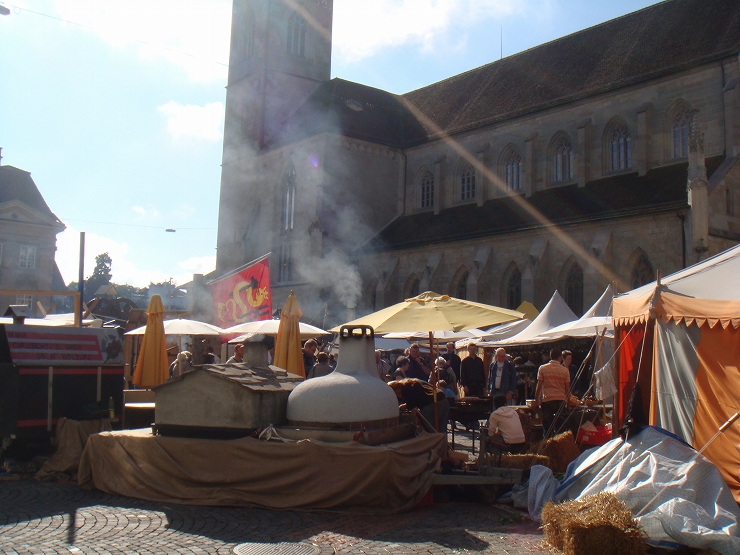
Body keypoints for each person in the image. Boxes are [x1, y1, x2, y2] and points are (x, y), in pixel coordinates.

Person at [534, 348, 570, 437]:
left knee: (547, 428)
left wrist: (537, 401)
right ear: (560, 358)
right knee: (560, 428)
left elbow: (539, 386)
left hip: (547, 400)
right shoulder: (565, 370)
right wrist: (568, 403)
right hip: (561, 400)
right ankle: (559, 444)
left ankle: (547, 444)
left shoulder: (542, 368)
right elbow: (567, 389)